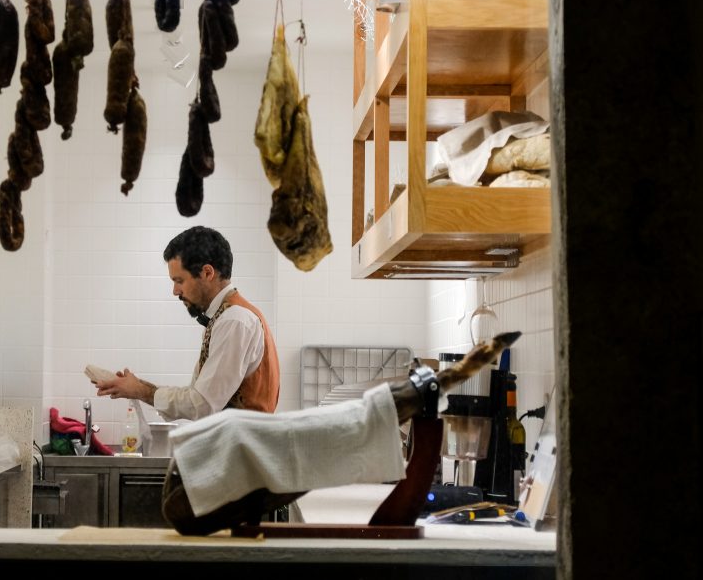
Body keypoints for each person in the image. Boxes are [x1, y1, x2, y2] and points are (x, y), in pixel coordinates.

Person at [160, 331, 521, 536]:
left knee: (309, 436)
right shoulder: (186, 500)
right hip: (208, 462)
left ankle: (426, 388)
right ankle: (427, 387)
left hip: (212, 457)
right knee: (310, 436)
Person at [92, 225, 280, 420]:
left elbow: (202, 405)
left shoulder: (234, 321)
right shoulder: (227, 317)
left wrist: (140, 390)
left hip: (239, 448)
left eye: (179, 280)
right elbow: (195, 398)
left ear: (207, 273)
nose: (175, 291)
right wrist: (137, 386)